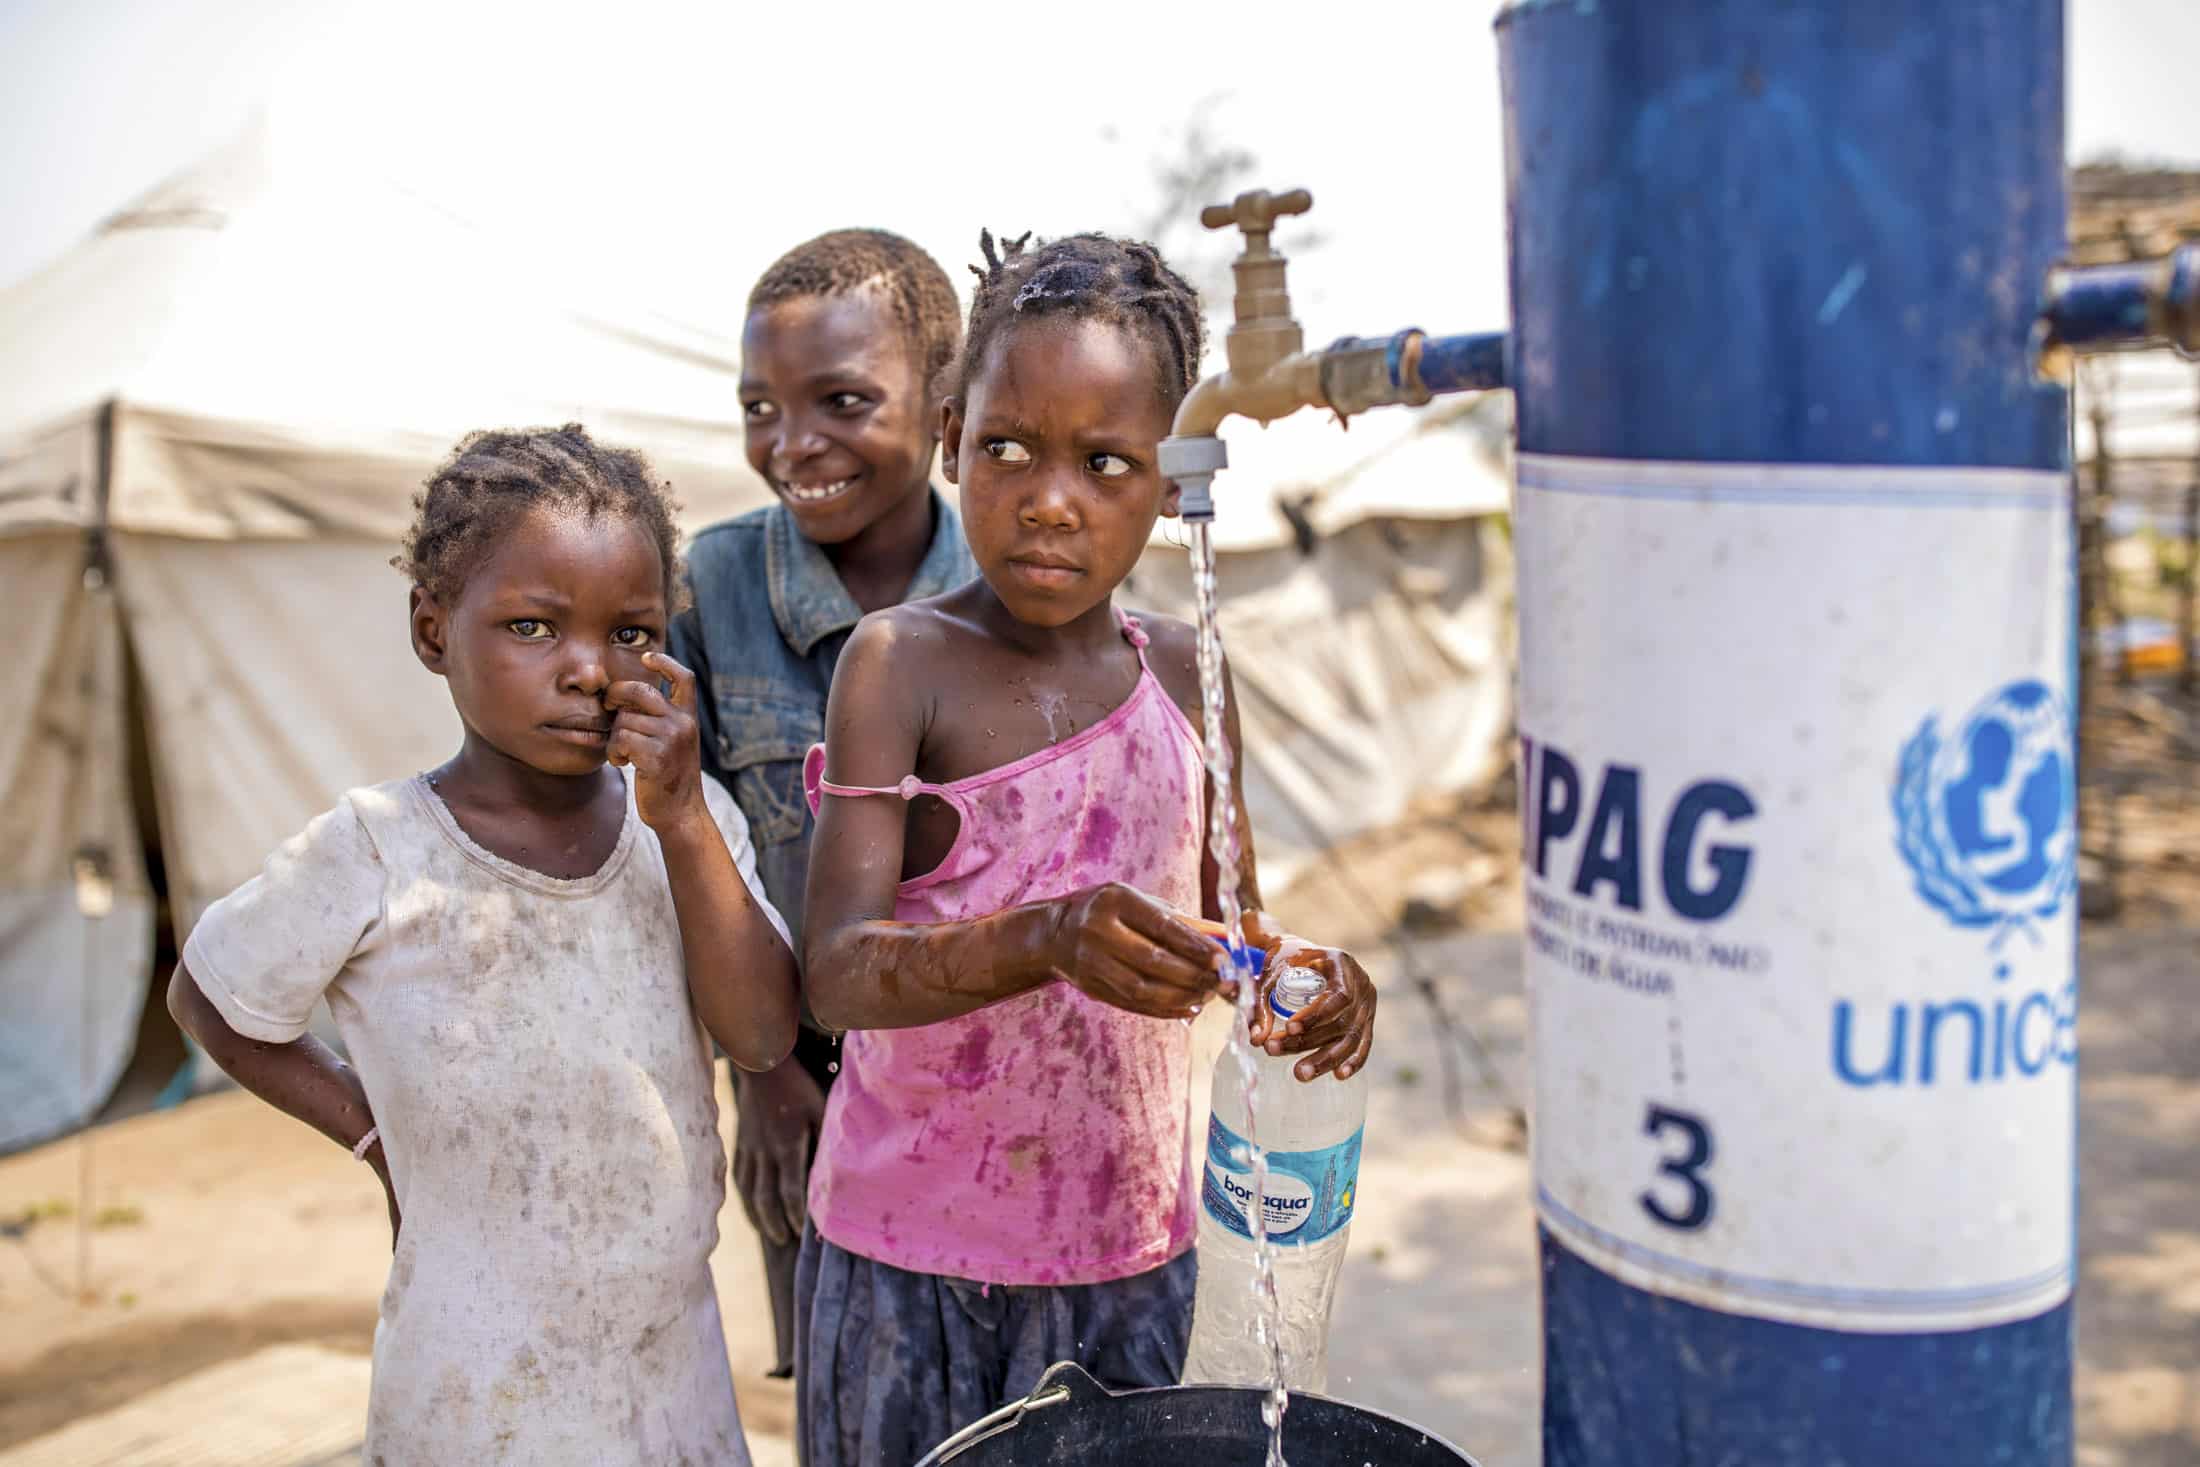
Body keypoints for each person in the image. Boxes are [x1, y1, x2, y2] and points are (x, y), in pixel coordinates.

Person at [795, 231, 1380, 1467]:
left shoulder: (1183, 669)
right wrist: (1043, 938)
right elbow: (839, 972)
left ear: (1171, 483)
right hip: (917, 1269)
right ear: (952, 435)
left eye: (1105, 462)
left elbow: (1235, 935)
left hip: (1131, 1259)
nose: (1047, 498)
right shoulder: (901, 663)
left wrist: (1309, 983)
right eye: (1006, 447)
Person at [168, 425, 799, 1465]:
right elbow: (210, 997)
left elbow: (764, 1033)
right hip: (472, 1394)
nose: (591, 672)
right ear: (432, 631)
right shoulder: (377, 849)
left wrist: (682, 819)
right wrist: (373, 1139)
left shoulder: (688, 827)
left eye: (632, 634)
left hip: (668, 1379)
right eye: (532, 627)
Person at [670, 227, 975, 1376]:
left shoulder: (1027, 587)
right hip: (805, 1085)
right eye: (760, 408)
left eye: (840, 400)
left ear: (943, 402)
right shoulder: (710, 590)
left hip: (994, 1082)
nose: (792, 446)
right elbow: (676, 851)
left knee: (1021, 1405)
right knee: (850, 1405)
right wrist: (761, 1075)